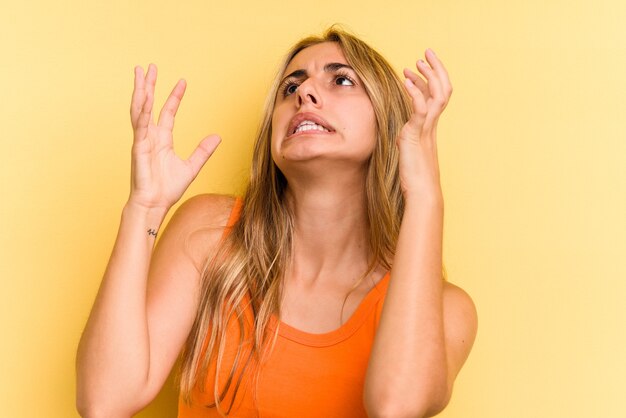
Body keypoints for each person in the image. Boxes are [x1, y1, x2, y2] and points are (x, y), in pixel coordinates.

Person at [76, 27, 478, 418]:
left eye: (341, 80)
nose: (304, 92)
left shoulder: (446, 309)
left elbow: (396, 407)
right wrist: (144, 208)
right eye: (291, 87)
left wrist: (425, 195)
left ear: (389, 126)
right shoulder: (210, 235)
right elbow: (105, 402)